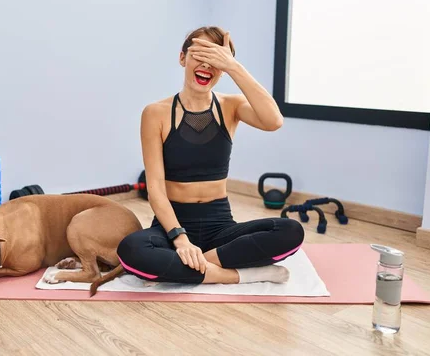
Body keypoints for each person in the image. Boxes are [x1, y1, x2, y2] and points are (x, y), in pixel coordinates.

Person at [117, 26, 304, 285]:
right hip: (172, 226)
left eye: (216, 57)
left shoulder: (231, 106)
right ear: (182, 58)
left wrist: (234, 66)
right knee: (131, 251)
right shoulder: (155, 113)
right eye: (199, 54)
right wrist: (181, 240)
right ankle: (237, 275)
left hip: (220, 225)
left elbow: (274, 121)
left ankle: (191, 267)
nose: (207, 63)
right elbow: (156, 189)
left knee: (290, 231)